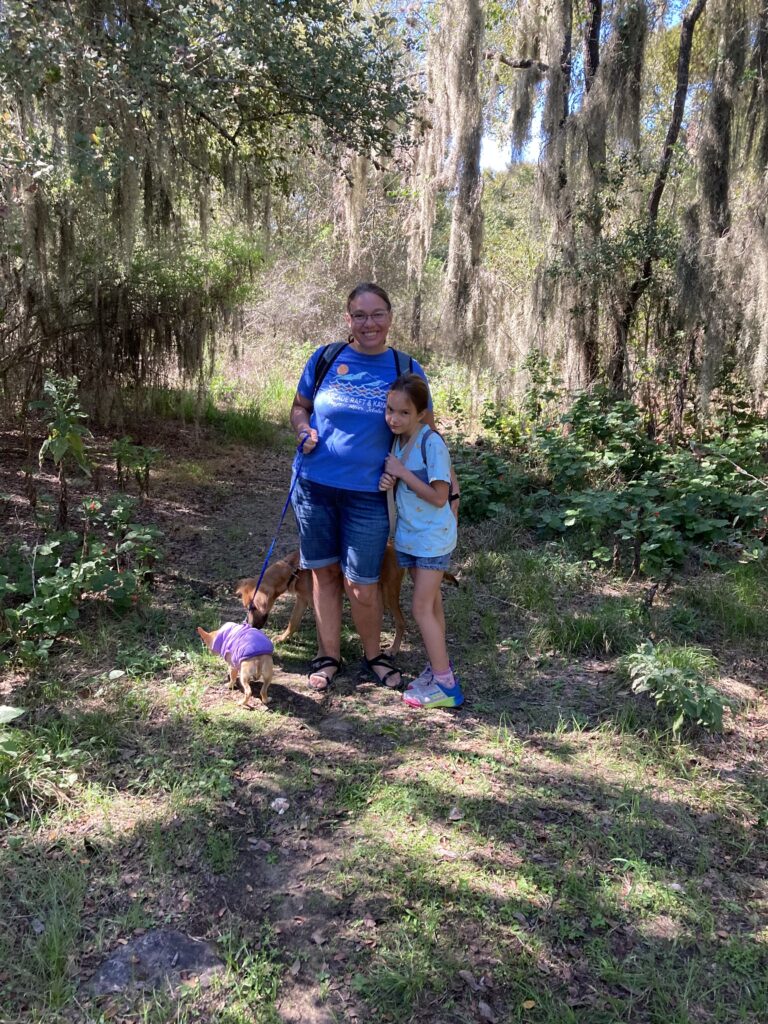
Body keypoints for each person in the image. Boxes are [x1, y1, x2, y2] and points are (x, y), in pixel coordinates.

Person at [289, 282, 431, 692]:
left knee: (362, 582)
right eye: (360, 315)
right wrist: (302, 429)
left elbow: (424, 435)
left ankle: (374, 655)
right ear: (348, 319)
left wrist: (433, 486)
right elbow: (300, 408)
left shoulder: (406, 368)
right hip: (313, 486)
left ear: (390, 318)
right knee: (323, 574)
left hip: (369, 494)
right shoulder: (325, 358)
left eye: (377, 314)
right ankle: (328, 655)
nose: (369, 323)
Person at [378, 373, 464, 709]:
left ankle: (446, 686)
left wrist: (402, 474)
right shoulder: (400, 441)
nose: (394, 418)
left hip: (432, 539)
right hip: (411, 538)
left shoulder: (432, 443)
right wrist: (393, 478)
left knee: (419, 608)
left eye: (403, 413)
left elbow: (440, 497)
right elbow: (406, 480)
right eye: (389, 410)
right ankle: (438, 666)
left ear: (422, 414)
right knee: (433, 606)